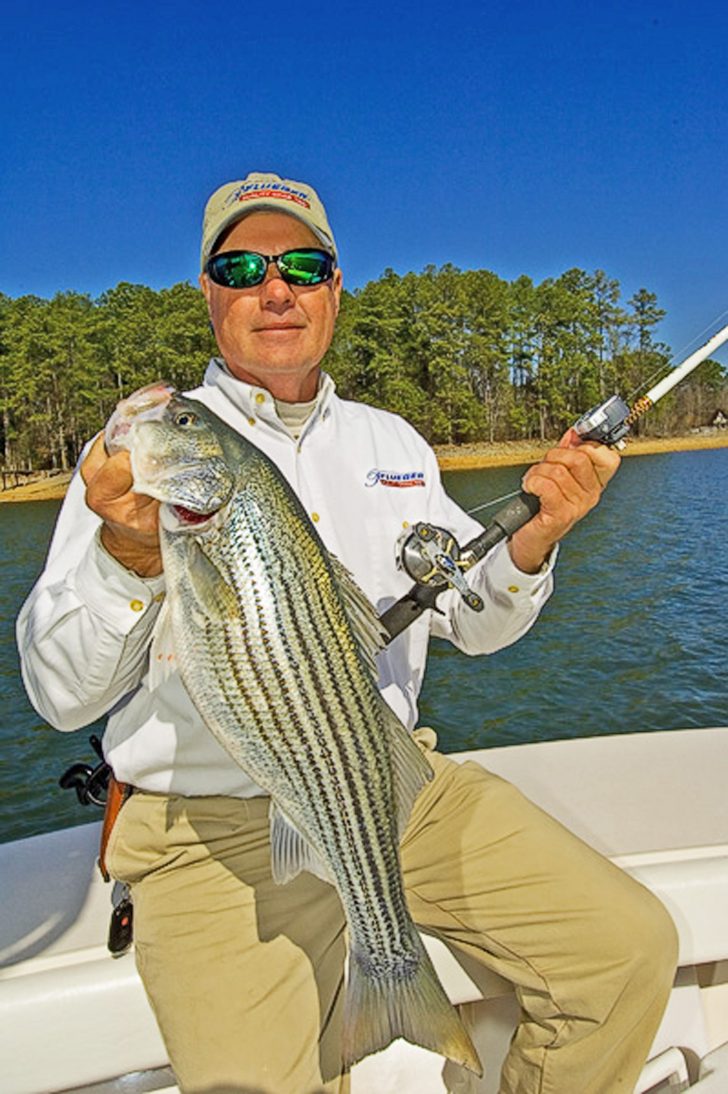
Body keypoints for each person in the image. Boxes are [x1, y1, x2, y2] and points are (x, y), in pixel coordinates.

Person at [17, 172, 678, 1094]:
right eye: (242, 266)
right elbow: (60, 696)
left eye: (303, 264)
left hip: (386, 777)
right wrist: (129, 555)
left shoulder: (393, 444)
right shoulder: (130, 469)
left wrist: (531, 542)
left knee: (623, 950)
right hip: (205, 832)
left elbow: (472, 622)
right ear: (209, 293)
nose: (275, 287)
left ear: (335, 286)